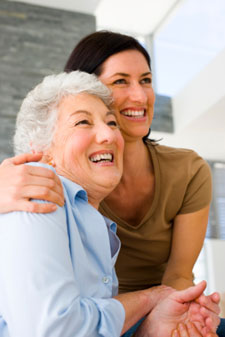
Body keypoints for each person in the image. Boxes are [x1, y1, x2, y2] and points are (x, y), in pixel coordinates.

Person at [0, 31, 223, 336]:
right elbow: (55, 326)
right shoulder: (39, 191)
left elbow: (177, 277)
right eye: (120, 81)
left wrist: (169, 313)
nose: (140, 96)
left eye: (146, 80)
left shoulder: (183, 170)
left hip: (137, 314)